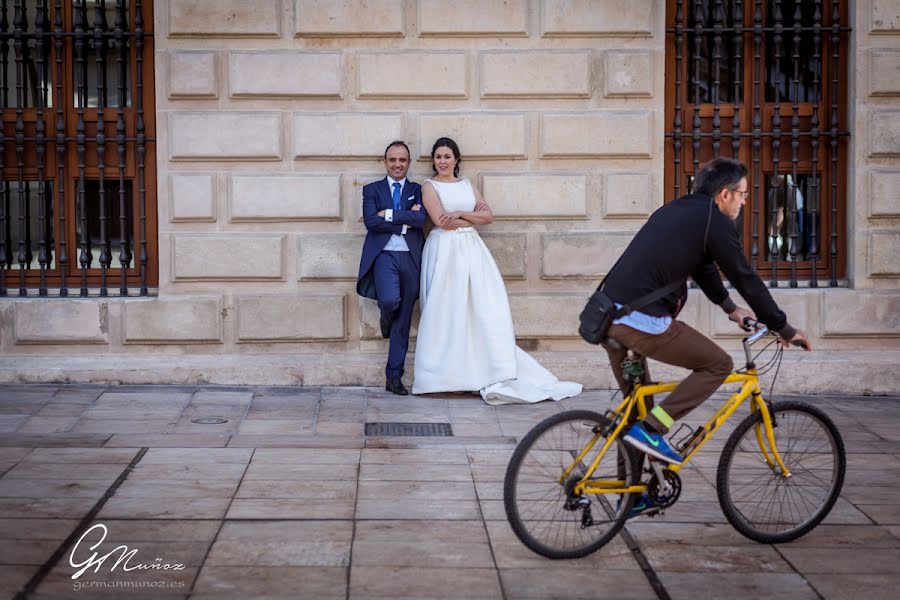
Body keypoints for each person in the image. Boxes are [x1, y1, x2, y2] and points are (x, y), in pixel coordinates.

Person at [599, 157, 811, 491]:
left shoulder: (678, 210)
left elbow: (703, 266)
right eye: (742, 194)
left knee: (637, 409)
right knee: (718, 364)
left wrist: (730, 309)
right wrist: (783, 328)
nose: (744, 201)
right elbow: (744, 276)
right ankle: (654, 431)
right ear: (724, 194)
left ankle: (630, 494)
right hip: (641, 322)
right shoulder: (715, 221)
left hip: (608, 318)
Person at [411, 137, 582, 404]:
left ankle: (482, 369)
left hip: (472, 251)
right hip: (445, 252)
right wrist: (468, 217)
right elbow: (441, 222)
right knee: (447, 308)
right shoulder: (429, 186)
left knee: (481, 308)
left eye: (447, 156)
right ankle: (444, 375)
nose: (442, 161)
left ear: (456, 160)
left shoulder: (467, 184)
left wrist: (459, 213)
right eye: (438, 156)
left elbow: (488, 217)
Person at [357, 141, 426, 395]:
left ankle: (394, 377)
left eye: (403, 160)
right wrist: (404, 218)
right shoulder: (371, 190)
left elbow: (420, 219)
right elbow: (371, 222)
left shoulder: (418, 190)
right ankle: (384, 317)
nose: (398, 164)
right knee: (389, 301)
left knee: (404, 319)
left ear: (408, 163)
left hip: (411, 258)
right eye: (393, 160)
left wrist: (388, 214)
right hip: (384, 256)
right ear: (385, 162)